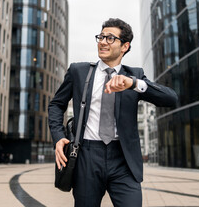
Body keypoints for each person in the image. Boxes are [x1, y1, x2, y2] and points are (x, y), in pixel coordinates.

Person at [48, 18, 178, 207]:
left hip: (124, 159)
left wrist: (133, 83)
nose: (102, 42)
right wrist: (58, 136)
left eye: (110, 38)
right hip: (87, 156)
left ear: (125, 46)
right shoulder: (79, 71)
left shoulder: (134, 74)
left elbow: (170, 98)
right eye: (101, 37)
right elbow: (56, 105)